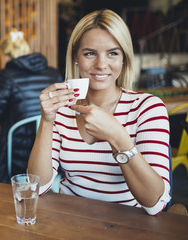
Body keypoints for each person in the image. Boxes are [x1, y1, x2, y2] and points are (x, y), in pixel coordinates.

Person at [27, 9, 171, 215]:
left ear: (124, 59)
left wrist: (117, 136)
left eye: (113, 53)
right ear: (76, 57)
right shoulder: (63, 108)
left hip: (129, 225)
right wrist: (47, 120)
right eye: (90, 53)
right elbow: (37, 187)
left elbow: (154, 203)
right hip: (69, 221)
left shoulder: (148, 107)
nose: (101, 65)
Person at [0, 29, 63, 183]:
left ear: (6, 57)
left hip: (19, 153)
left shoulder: (8, 75)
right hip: (53, 149)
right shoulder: (53, 73)